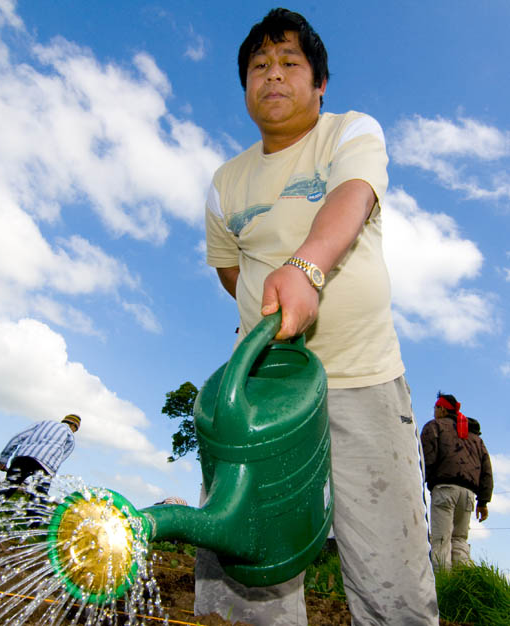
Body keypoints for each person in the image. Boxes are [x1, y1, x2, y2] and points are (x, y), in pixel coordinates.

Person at [199, 7, 439, 624]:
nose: (272, 75)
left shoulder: (349, 133)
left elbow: (351, 198)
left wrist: (305, 270)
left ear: (319, 81)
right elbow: (232, 271)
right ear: (244, 84)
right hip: (262, 396)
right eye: (258, 65)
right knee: (250, 561)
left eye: (289, 62)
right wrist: (266, 313)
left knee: (392, 574)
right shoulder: (227, 182)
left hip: (363, 378)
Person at [421, 393, 493, 571]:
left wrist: (420, 483)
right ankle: (462, 586)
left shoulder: (434, 427)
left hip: (445, 489)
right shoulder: (475, 438)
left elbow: (426, 460)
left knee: (441, 540)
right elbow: (486, 471)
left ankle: (443, 588)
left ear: (442, 409)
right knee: (460, 541)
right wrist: (483, 502)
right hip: (468, 495)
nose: (434, 412)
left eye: (435, 409)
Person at [0, 414, 81, 513]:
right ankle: (32, 525)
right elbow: (59, 460)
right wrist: (49, 477)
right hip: (46, 466)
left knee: (7, 488)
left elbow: (17, 438)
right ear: (74, 426)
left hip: (23, 458)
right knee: (38, 498)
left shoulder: (44, 423)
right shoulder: (70, 438)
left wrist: (3, 459)